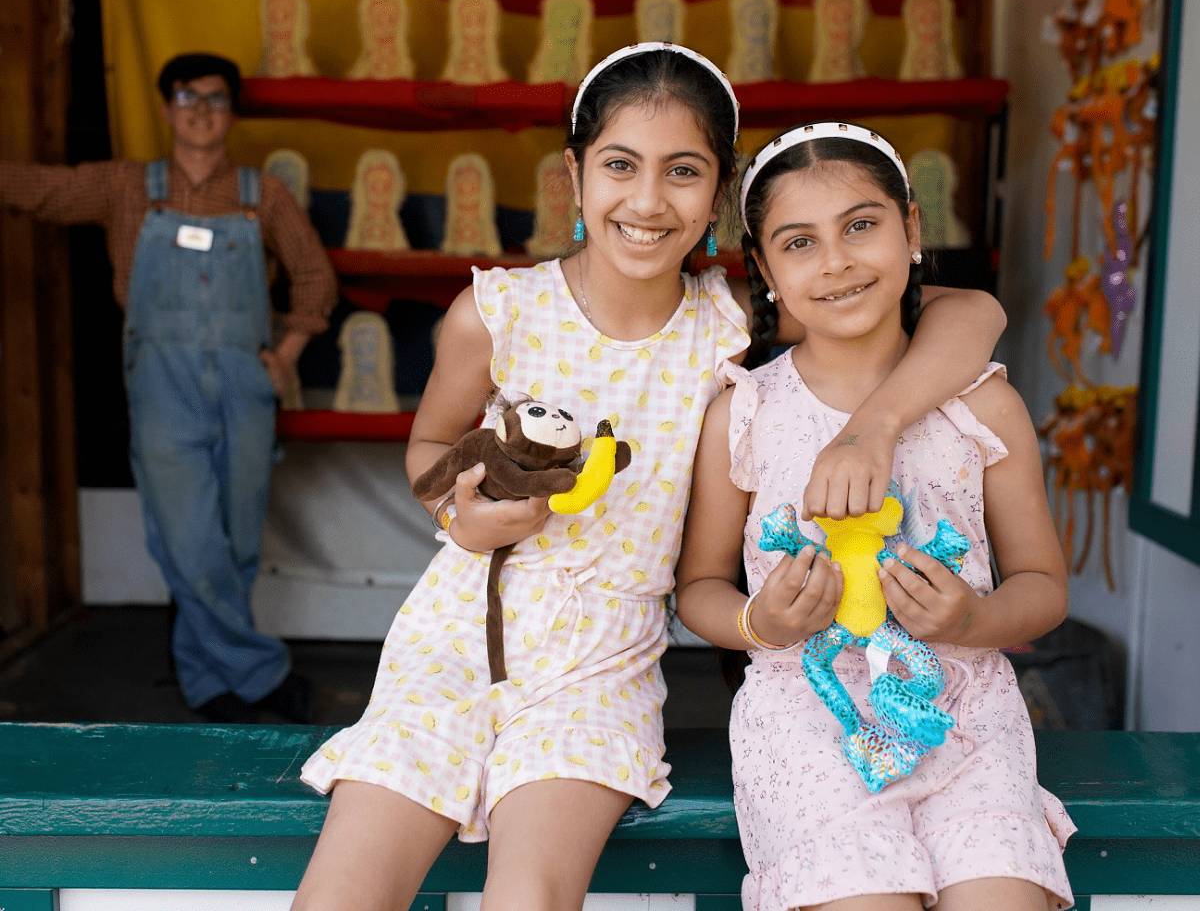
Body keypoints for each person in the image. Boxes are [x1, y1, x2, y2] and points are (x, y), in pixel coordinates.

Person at [290, 45, 1007, 911]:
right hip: (453, 639)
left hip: (606, 663)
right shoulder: (495, 314)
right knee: (339, 896)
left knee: (529, 899)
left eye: (683, 171)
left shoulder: (731, 325)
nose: (647, 199)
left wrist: (878, 427)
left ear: (719, 194)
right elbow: (429, 451)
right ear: (575, 174)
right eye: (620, 166)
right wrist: (463, 516)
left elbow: (972, 313)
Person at [675, 122, 1075, 911]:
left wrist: (973, 618)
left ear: (912, 228)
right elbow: (696, 590)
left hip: (968, 720)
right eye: (798, 243)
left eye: (861, 225)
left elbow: (1045, 585)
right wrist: (764, 623)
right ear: (762, 268)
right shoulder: (745, 415)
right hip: (806, 721)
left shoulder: (983, 405)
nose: (837, 261)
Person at [0, 53, 337, 723]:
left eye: (215, 98)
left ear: (231, 112)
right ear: (165, 109)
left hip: (245, 384)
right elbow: (38, 188)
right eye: (187, 97)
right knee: (189, 541)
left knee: (237, 542)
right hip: (161, 382)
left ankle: (212, 684)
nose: (201, 109)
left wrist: (287, 353)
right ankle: (260, 672)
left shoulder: (261, 193)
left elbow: (315, 279)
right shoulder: (127, 186)